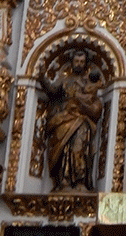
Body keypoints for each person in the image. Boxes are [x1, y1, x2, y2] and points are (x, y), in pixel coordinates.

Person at [40, 50, 103, 192]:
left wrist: (82, 103)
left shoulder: (88, 82)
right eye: (76, 61)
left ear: (85, 64)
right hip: (64, 118)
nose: (79, 64)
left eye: (82, 62)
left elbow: (93, 101)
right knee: (63, 148)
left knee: (79, 148)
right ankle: (64, 180)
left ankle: (80, 180)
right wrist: (42, 77)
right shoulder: (64, 79)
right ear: (72, 62)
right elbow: (52, 90)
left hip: (82, 120)